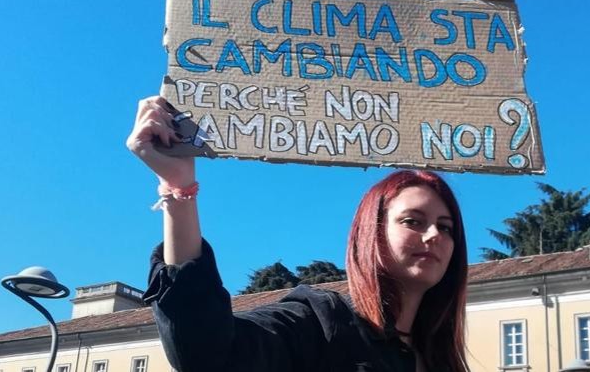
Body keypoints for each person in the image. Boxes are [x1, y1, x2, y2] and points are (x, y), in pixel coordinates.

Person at [127, 96, 470, 372]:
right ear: (372, 233)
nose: (433, 236)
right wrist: (178, 186)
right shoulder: (319, 324)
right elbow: (205, 353)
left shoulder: (443, 358)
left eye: (445, 227)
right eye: (413, 221)